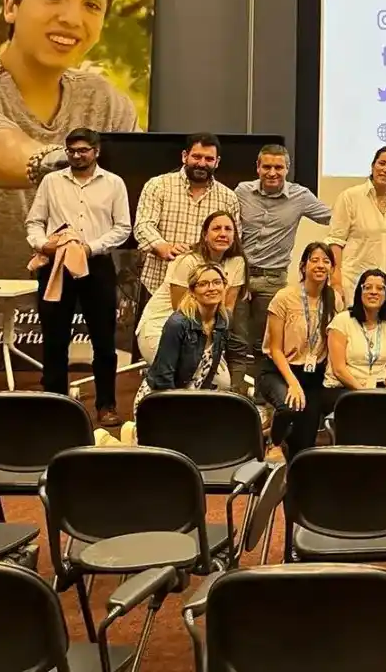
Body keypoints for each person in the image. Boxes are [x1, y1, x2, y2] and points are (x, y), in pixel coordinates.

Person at [0, 0, 139, 289]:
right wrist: (68, 163)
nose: (72, 18)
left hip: (84, 322)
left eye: (92, 3)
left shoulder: (108, 105)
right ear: (11, 6)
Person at [24, 128, 130, 428]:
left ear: (96, 151)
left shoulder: (114, 183)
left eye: (83, 150)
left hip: (96, 267)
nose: (77, 155)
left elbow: (122, 228)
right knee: (55, 338)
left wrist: (89, 247)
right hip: (56, 265)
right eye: (72, 150)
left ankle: (106, 405)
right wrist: (41, 243)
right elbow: (34, 221)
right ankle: (55, 403)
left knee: (103, 341)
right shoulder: (51, 182)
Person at [233, 144, 331, 391]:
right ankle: (234, 396)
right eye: (267, 166)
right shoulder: (242, 191)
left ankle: (262, 398)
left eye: (278, 167)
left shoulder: (300, 196)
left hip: (272, 280)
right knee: (234, 340)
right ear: (258, 168)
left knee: (262, 343)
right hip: (238, 277)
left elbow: (336, 217)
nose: (272, 172)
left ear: (287, 169)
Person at [110, 263, 235, 446]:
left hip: (192, 396)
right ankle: (111, 439)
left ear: (224, 286)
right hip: (162, 399)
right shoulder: (177, 323)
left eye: (217, 282)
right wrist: (177, 415)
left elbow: (222, 360)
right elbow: (163, 377)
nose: (212, 288)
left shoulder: (224, 319)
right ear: (192, 291)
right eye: (204, 284)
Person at [134, 134, 240, 302]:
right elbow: (143, 225)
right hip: (159, 285)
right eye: (196, 157)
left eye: (209, 159)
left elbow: (234, 240)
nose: (202, 163)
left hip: (206, 291)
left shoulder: (228, 197)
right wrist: (162, 246)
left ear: (217, 162)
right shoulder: (158, 185)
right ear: (185, 156)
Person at [259, 241, 339, 459]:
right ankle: (271, 442)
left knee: (303, 446)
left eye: (326, 261)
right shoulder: (284, 297)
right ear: (303, 266)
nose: (320, 265)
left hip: (313, 376)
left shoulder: (334, 299)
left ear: (332, 267)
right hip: (279, 371)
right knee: (289, 405)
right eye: (314, 260)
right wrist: (293, 383)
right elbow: (275, 349)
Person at [135, 210, 244, 363]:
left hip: (203, 334)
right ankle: (154, 382)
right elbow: (181, 312)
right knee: (184, 377)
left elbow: (227, 310)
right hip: (163, 328)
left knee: (222, 383)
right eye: (216, 228)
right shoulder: (187, 260)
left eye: (228, 229)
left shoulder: (237, 262)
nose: (222, 234)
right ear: (205, 235)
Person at [329, 146, 386, 306]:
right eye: (382, 163)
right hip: (355, 282)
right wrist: (336, 280)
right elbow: (335, 241)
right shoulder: (350, 197)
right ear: (372, 166)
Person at [322, 269, 386, 413]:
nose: (373, 292)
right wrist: (365, 394)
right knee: (366, 410)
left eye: (380, 288)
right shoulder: (342, 321)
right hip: (344, 389)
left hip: (379, 388)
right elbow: (339, 370)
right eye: (367, 287)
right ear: (360, 292)